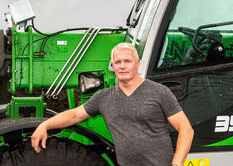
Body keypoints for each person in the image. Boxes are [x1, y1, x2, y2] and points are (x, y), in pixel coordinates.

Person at [31, 42, 194, 166]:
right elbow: (74, 115)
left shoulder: (159, 92)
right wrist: (45, 125)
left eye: (127, 61)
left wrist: (177, 164)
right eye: (117, 62)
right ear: (112, 66)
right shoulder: (104, 97)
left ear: (137, 63)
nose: (122, 66)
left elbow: (186, 129)